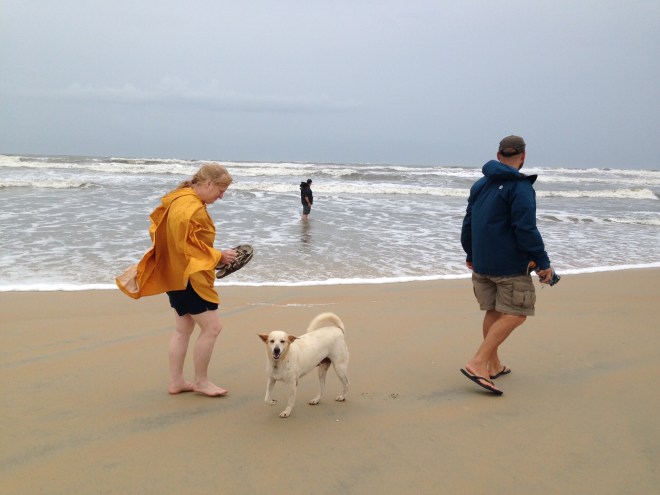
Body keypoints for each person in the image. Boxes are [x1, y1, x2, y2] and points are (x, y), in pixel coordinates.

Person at [116, 163, 237, 397]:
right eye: (220, 190)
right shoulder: (189, 206)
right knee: (212, 327)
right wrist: (218, 256)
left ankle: (177, 381)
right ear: (208, 183)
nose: (221, 196)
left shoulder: (178, 198)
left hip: (173, 274)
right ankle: (201, 382)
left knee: (183, 329)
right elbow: (185, 247)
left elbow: (173, 239)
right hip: (189, 277)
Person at [460, 135, 554, 395]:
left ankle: (493, 364)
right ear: (523, 156)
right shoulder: (520, 187)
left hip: (482, 263)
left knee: (494, 311)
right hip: (510, 266)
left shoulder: (480, 184)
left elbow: (468, 222)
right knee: (516, 313)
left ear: (498, 155)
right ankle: (478, 363)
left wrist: (470, 253)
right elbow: (526, 229)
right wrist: (543, 262)